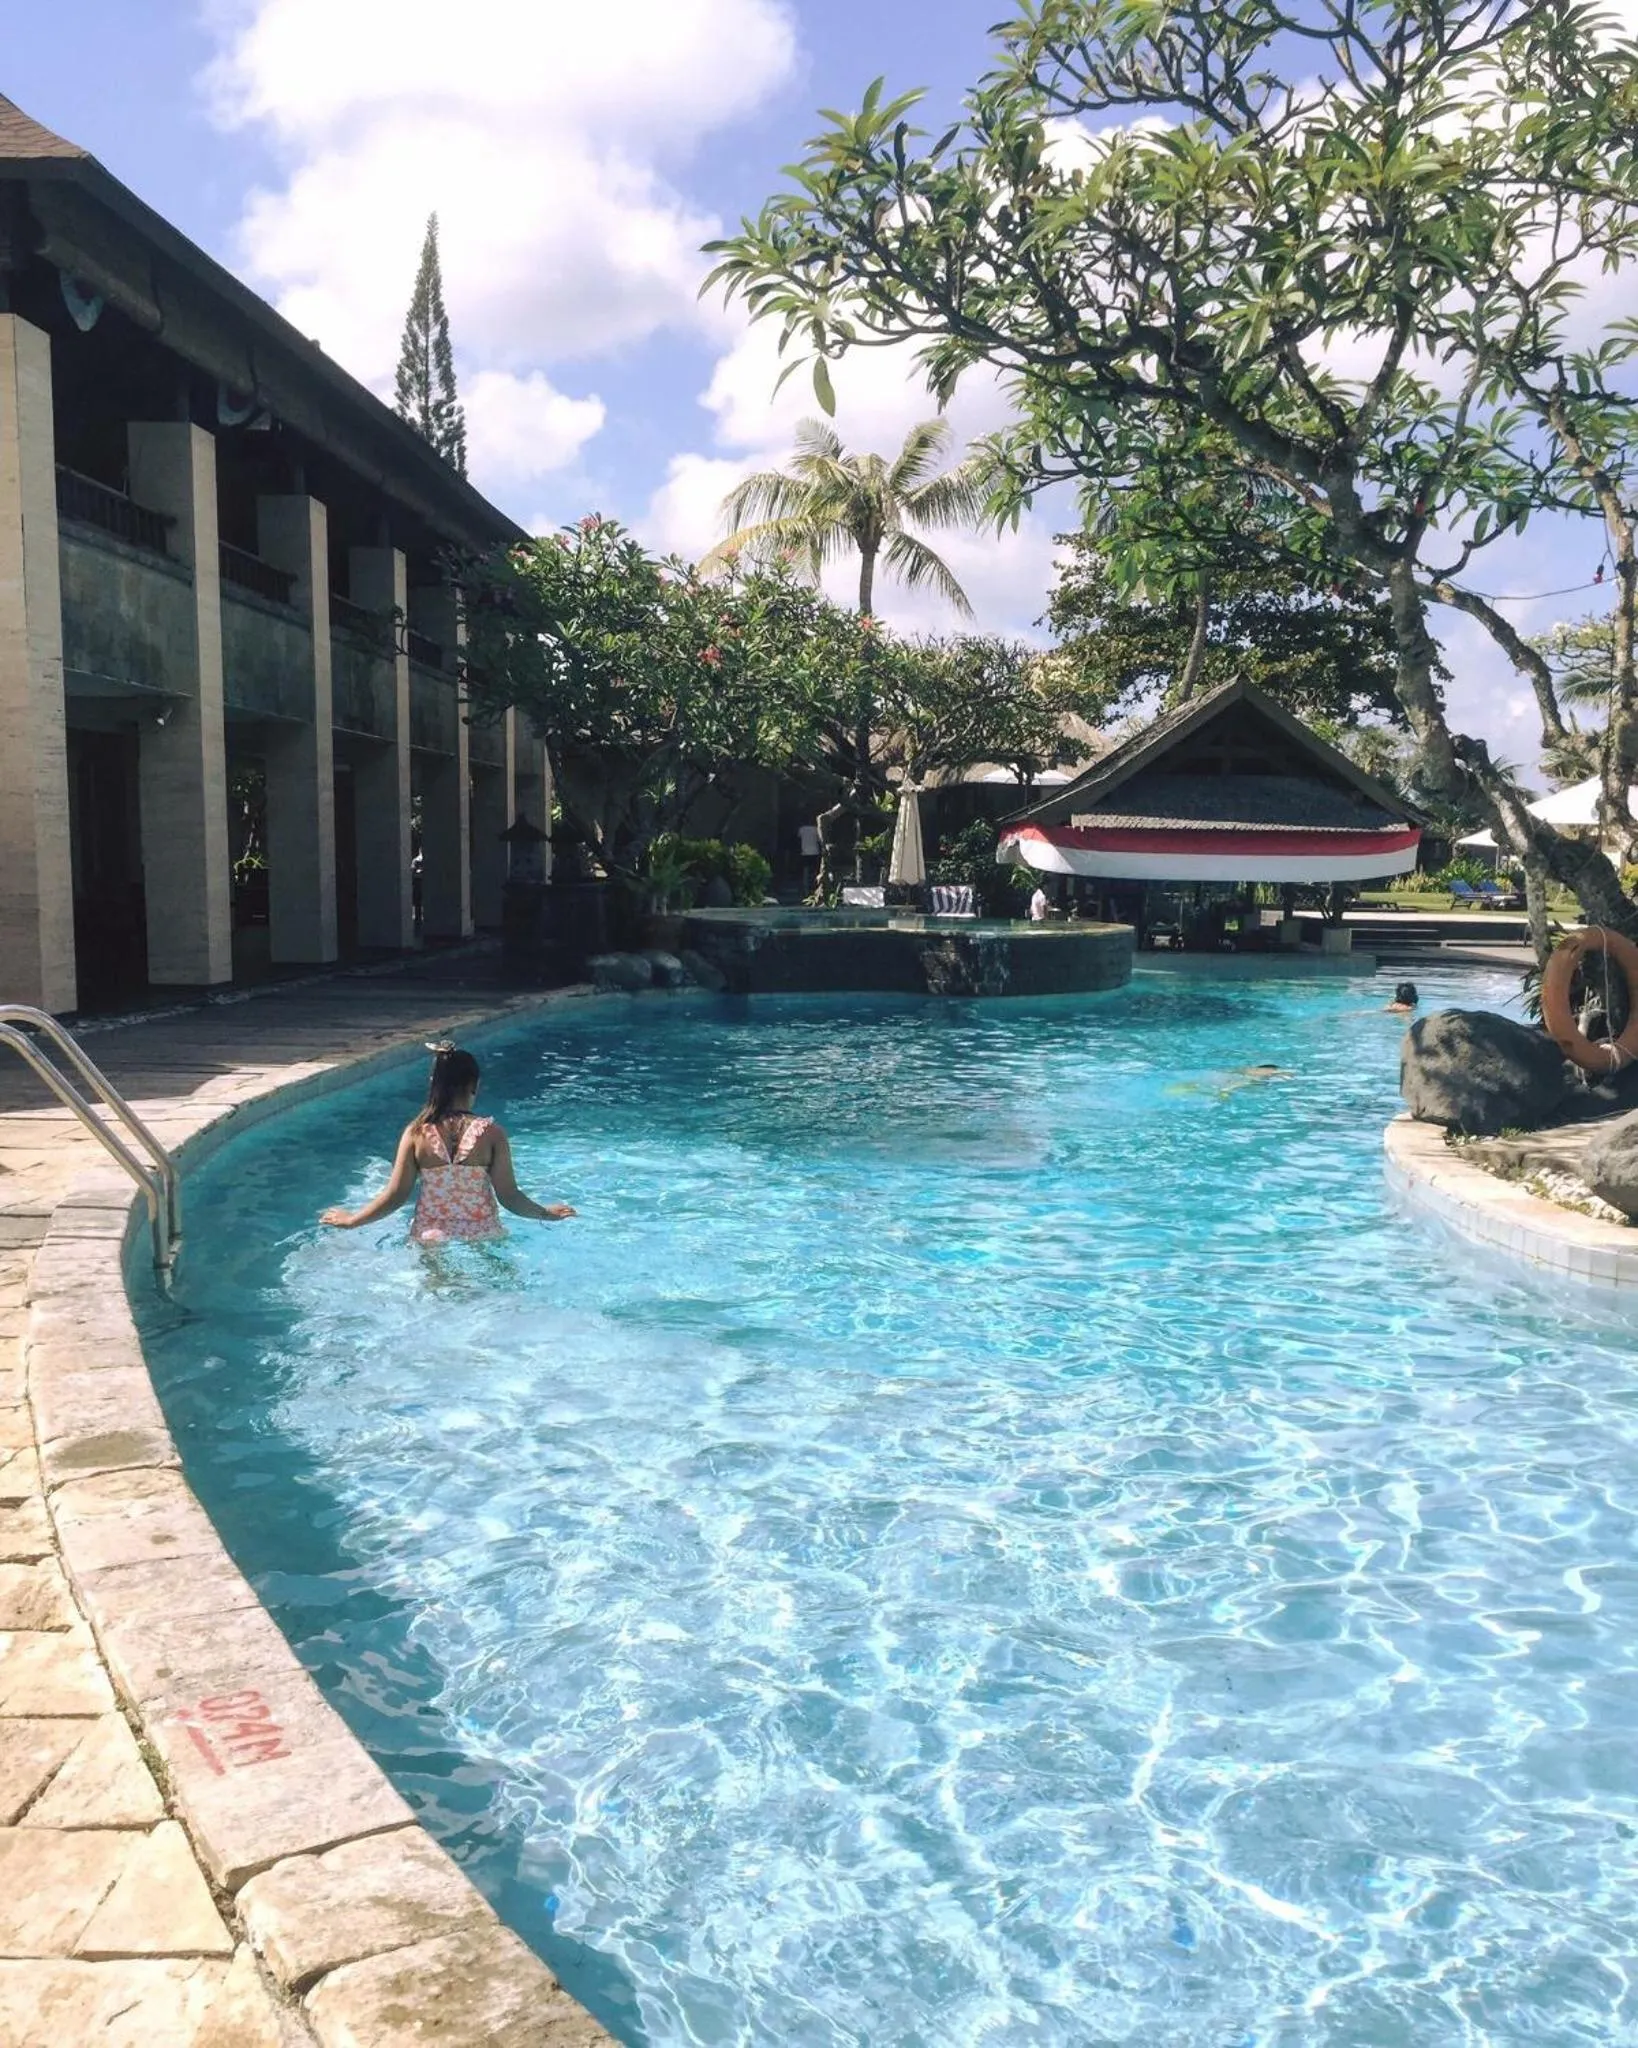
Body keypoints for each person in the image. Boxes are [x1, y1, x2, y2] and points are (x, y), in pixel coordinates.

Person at [320, 1043, 576, 1243]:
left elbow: (396, 1196)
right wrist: (546, 1213)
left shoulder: (416, 1133)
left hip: (430, 1236)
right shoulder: (492, 1134)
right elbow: (509, 1197)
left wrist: (352, 1220)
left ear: (433, 1085)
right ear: (474, 1085)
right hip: (483, 1233)